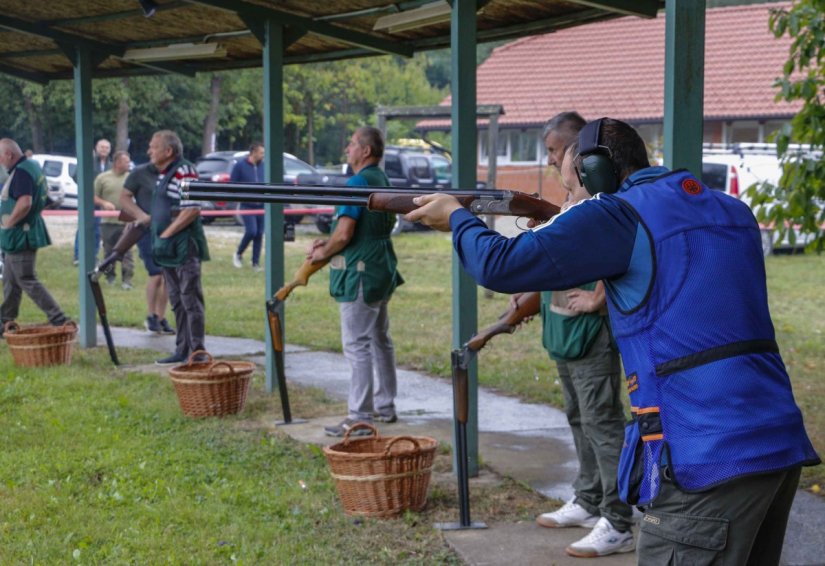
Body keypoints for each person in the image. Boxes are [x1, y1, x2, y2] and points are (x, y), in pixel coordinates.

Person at [407, 118, 820, 564]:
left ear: (597, 173)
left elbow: (499, 266)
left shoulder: (619, 215)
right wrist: (560, 227)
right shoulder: (731, 210)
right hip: (775, 442)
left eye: (574, 190)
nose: (571, 203)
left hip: (705, 455)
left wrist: (456, 216)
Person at [511, 113, 633, 558]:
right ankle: (589, 497)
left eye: (557, 151)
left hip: (589, 334)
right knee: (578, 416)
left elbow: (618, 250)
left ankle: (619, 520)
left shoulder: (600, 202)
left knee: (602, 423)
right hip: (563, 328)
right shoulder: (569, 201)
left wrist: (599, 298)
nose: (551, 160)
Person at [308, 127, 403, 437]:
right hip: (380, 267)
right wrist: (328, 243)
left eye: (351, 145)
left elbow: (345, 233)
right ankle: (384, 406)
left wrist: (321, 251)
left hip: (359, 270)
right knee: (379, 340)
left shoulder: (358, 182)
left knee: (357, 345)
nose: (347, 150)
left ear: (365, 151)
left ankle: (359, 418)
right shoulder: (381, 179)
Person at [147, 130, 209, 365]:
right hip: (168, 250)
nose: (149, 151)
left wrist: (166, 234)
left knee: (190, 299)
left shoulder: (185, 171)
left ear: (168, 151)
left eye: (153, 147)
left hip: (184, 247)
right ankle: (182, 349)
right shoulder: (163, 175)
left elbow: (192, 209)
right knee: (177, 300)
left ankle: (198, 351)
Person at [0, 138, 70, 333]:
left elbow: (25, 203)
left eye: (0, 157)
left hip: (20, 235)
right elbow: (47, 199)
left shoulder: (21, 172)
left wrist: (8, 223)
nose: (0, 162)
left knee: (26, 279)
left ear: (9, 155)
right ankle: (5, 321)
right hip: (22, 234)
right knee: (11, 281)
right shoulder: (32, 166)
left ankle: (59, 319)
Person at [120, 161, 175, 335]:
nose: (152, 152)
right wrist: (140, 215)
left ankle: (160, 316)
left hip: (169, 230)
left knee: (168, 275)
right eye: (152, 148)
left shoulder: (176, 172)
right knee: (156, 273)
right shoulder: (139, 173)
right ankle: (151, 315)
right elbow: (124, 197)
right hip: (146, 231)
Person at [95, 150, 134, 290]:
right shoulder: (102, 178)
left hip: (127, 221)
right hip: (108, 222)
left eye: (129, 161)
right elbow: (94, 196)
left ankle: (127, 280)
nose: (128, 164)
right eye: (125, 161)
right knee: (109, 252)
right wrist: (104, 203)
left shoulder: (131, 178)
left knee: (127, 252)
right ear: (117, 162)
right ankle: (109, 276)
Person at [73, 138, 111, 265]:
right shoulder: (87, 162)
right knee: (84, 228)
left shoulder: (110, 165)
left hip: (103, 202)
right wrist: (88, 190)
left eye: (106, 147)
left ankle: (93, 256)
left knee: (97, 231)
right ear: (96, 148)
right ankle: (78, 256)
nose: (104, 150)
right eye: (102, 147)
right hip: (88, 201)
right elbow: (76, 176)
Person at [231, 142, 265, 271]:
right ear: (254, 152)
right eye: (261, 152)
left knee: (259, 234)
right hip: (247, 205)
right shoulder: (240, 166)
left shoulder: (263, 166)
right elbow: (232, 184)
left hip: (261, 205)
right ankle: (238, 254)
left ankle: (255, 263)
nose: (263, 155)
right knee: (251, 231)